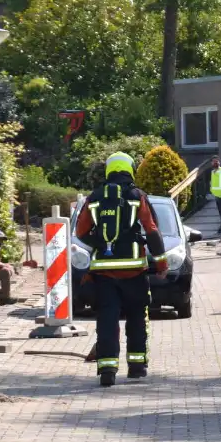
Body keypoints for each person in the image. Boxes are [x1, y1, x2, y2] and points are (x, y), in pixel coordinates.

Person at [74, 152, 170, 387]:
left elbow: (80, 232)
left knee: (107, 319)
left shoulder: (94, 197)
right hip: (134, 270)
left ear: (108, 171)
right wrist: (161, 262)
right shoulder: (137, 196)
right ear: (130, 170)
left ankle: (107, 370)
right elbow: (152, 230)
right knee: (137, 317)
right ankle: (137, 367)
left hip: (104, 273)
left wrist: (100, 243)